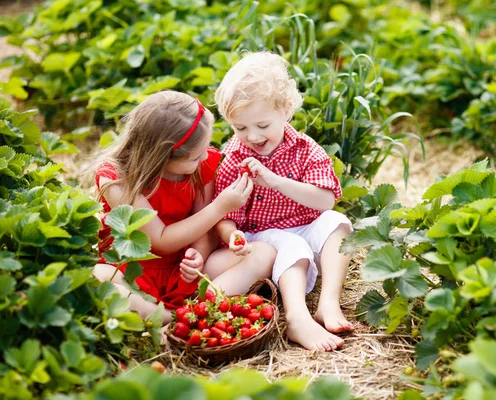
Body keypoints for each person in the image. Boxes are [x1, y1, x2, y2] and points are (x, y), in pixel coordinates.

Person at [93, 90, 276, 325]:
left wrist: (198, 255)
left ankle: (193, 310)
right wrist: (220, 208)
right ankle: (175, 315)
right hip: (132, 270)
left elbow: (205, 230)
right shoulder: (116, 179)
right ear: (161, 157)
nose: (204, 158)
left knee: (264, 253)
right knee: (99, 279)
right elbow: (159, 239)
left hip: (183, 272)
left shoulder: (201, 166)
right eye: (194, 157)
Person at [213, 52, 354, 352]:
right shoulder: (234, 158)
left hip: (302, 224)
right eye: (240, 128)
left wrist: (276, 181)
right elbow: (225, 215)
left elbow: (326, 201)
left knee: (338, 223)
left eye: (262, 125)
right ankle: (296, 317)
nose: (251, 136)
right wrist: (231, 235)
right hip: (261, 237)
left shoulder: (304, 148)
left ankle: (328, 302)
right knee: (293, 246)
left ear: (286, 110)